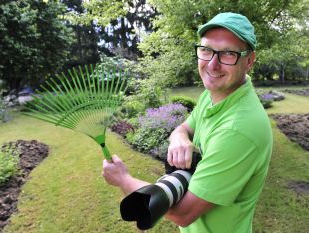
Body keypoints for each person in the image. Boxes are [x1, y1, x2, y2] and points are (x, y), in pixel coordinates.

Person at [103, 12, 273, 233]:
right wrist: (180, 137)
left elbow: (183, 213)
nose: (212, 65)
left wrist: (123, 179)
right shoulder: (213, 95)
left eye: (228, 53)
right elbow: (184, 127)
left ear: (249, 61)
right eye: (206, 50)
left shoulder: (239, 130)